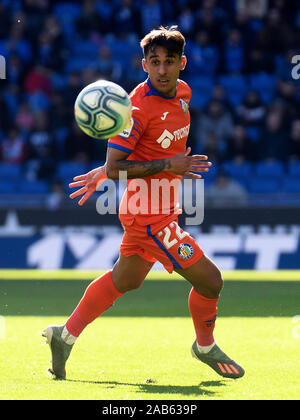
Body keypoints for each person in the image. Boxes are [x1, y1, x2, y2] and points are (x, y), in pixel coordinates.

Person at [42, 26, 244, 380]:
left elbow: (140, 152)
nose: (162, 70)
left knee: (126, 279)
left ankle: (65, 335)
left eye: (169, 62)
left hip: (161, 209)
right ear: (144, 65)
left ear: (182, 63)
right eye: (155, 62)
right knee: (211, 281)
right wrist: (165, 166)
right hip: (149, 216)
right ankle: (205, 346)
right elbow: (117, 165)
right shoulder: (135, 109)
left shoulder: (183, 93)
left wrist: (111, 171)